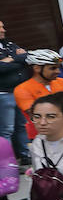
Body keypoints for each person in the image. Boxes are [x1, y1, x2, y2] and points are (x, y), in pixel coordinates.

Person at [13, 51, 63, 143]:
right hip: (41, 138)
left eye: (58, 68)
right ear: (37, 68)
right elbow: (38, 115)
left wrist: (55, 112)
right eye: (53, 68)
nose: (58, 71)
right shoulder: (22, 89)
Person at [0, 21, 28, 162]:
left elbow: (26, 57)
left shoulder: (9, 45)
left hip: (18, 91)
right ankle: (8, 161)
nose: (3, 30)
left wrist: (10, 59)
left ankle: (25, 155)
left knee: (21, 125)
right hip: (3, 94)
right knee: (7, 129)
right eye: (0, 28)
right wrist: (16, 59)